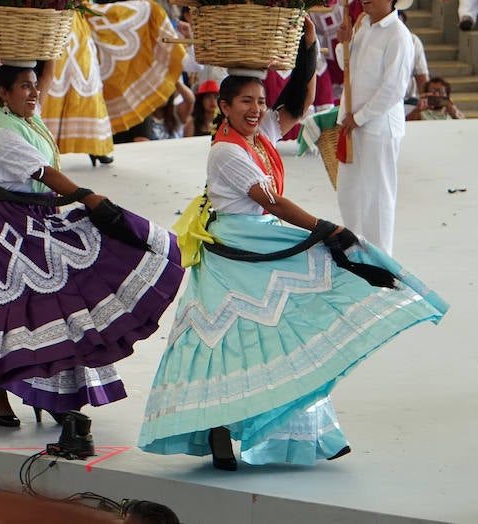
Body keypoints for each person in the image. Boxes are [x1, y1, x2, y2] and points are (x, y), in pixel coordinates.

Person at [139, 58, 446, 469]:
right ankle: (217, 428)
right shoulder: (227, 152)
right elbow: (273, 202)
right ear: (224, 107)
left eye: (262, 101)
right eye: (246, 101)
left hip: (260, 241)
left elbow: (297, 107)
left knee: (281, 334)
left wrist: (309, 48)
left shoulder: (256, 136)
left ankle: (310, 433)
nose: (257, 109)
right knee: (232, 343)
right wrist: (328, 229)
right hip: (237, 250)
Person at [0, 63, 183, 440]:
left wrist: (51, 46)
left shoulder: (25, 119)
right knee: (2, 314)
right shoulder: (2, 133)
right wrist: (88, 198)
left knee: (55, 307)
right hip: (0, 229)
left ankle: (51, 393)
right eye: (25, 87)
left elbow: (45, 82)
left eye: (35, 86)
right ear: (3, 94)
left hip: (35, 216)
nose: (34, 93)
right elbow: (46, 175)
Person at [336, 0, 416, 255]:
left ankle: (381, 258)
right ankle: (355, 249)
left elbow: (394, 89)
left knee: (378, 195)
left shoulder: (398, 34)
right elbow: (347, 68)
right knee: (350, 191)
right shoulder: (362, 27)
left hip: (377, 126)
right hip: (353, 123)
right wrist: (342, 44)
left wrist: (360, 117)